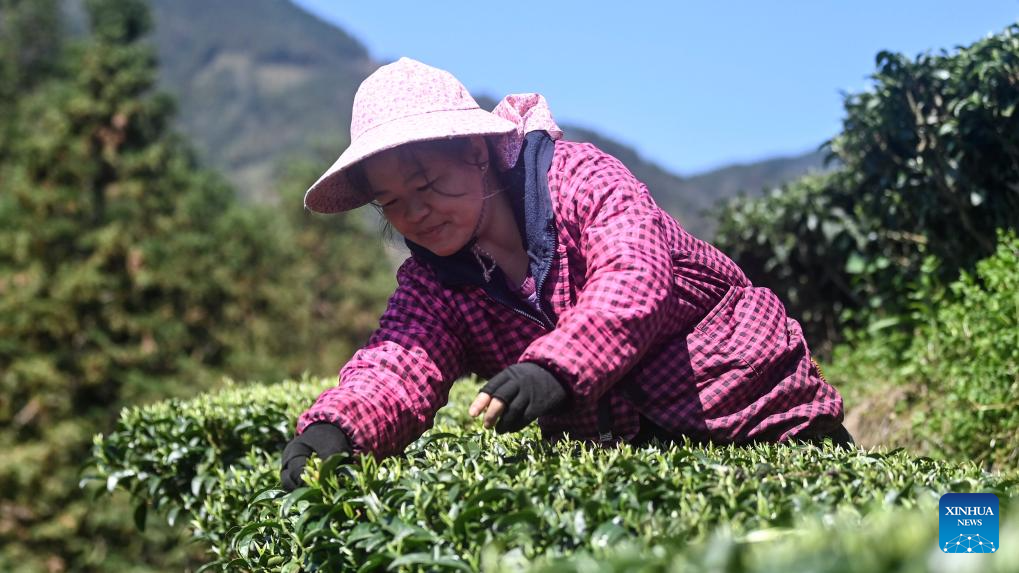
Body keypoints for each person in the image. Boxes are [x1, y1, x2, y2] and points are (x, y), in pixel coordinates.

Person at [280, 57, 851, 491]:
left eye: (426, 184)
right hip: (635, 467)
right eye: (391, 202)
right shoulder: (433, 285)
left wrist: (554, 368)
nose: (415, 213)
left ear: (475, 153)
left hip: (758, 415)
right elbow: (398, 364)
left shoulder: (581, 181)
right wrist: (338, 429)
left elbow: (634, 275)